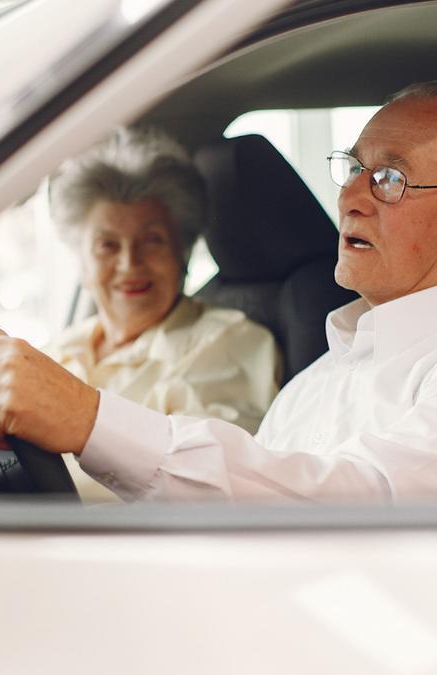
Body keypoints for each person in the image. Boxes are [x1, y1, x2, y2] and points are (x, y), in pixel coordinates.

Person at [0, 81, 437, 502]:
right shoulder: (321, 378)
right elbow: (240, 515)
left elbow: (359, 513)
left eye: (389, 178)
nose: (350, 195)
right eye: (353, 168)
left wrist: (88, 420)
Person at [44, 128, 281, 501]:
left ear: (182, 253)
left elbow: (208, 488)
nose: (129, 263)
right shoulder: (63, 347)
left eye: (152, 240)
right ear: (82, 261)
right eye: (107, 245)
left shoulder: (228, 343)